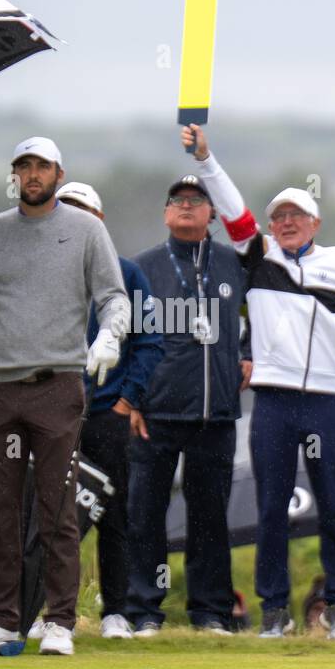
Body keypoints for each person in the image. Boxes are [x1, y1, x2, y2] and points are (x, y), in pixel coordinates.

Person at [184, 124, 335, 640]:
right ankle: (274, 611)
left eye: (296, 216)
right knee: (272, 508)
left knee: (334, 505)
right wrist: (205, 159)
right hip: (274, 402)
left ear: (315, 222)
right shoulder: (258, 255)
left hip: (329, 402)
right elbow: (232, 210)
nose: (286, 224)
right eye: (279, 218)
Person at [0, 137, 128, 657]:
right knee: (1, 512)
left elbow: (114, 298)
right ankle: (2, 621)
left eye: (41, 166)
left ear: (57, 172)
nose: (32, 175)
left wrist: (110, 336)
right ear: (15, 175)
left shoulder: (87, 231)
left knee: (56, 510)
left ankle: (59, 623)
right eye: (23, 166)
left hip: (58, 388)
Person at [124, 152, 251, 637]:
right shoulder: (144, 267)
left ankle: (211, 612)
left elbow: (262, 313)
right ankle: (143, 611)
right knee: (145, 516)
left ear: (211, 213)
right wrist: (130, 399)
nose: (185, 206)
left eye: (196, 201)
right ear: (165, 212)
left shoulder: (233, 264)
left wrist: (249, 349)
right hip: (154, 413)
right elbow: (126, 335)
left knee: (209, 519)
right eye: (177, 200)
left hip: (215, 414)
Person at [55, 181, 165, 639]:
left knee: (114, 511)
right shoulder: (44, 271)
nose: (75, 219)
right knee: (50, 510)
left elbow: (150, 342)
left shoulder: (126, 274)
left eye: (83, 212)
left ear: (98, 222)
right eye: (67, 211)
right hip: (52, 410)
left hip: (105, 411)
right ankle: (50, 609)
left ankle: (115, 609)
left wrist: (127, 400)